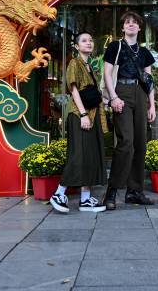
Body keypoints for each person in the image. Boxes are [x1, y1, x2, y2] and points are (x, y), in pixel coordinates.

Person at [102, 11, 156, 210]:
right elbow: (107, 73)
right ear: (123, 28)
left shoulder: (144, 52)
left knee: (141, 143)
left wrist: (152, 105)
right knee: (126, 142)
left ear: (139, 28)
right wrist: (113, 96)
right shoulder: (115, 46)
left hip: (141, 95)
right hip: (122, 92)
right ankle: (112, 190)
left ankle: (135, 191)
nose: (131, 25)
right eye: (127, 22)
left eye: (135, 22)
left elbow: (149, 80)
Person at [49, 32, 107, 213]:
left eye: (91, 40)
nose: (88, 43)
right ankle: (59, 193)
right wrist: (83, 114)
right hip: (80, 115)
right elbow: (73, 89)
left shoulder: (90, 66)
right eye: (84, 40)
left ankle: (85, 199)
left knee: (89, 156)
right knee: (79, 155)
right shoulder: (75, 63)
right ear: (76, 46)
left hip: (92, 114)